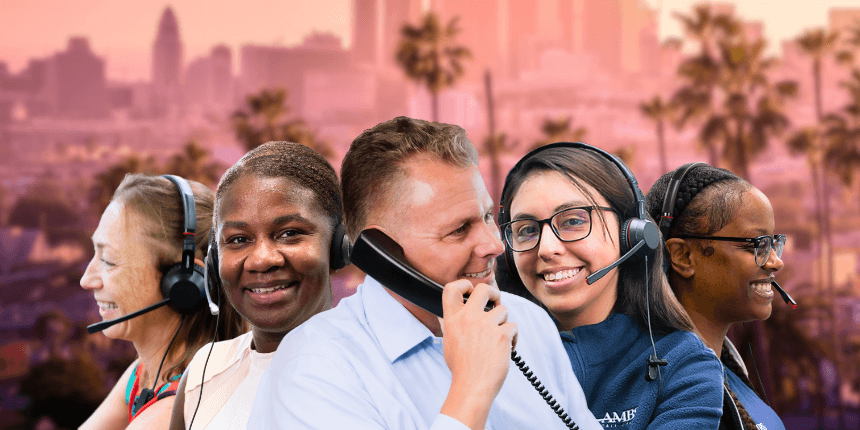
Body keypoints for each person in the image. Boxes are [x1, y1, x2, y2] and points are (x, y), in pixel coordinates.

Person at [249, 117, 601, 430]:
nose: (494, 245)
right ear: (382, 254)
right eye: (460, 229)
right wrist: (471, 389)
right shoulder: (314, 370)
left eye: (487, 217)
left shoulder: (526, 322)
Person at [495, 143, 724, 428]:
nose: (546, 248)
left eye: (573, 221)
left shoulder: (684, 364)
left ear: (632, 234)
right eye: (526, 230)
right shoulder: (487, 355)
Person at [168, 141, 346, 429]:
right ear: (214, 260)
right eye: (238, 239)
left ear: (339, 246)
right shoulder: (205, 371)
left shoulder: (378, 371)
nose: (262, 259)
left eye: (289, 233)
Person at [79, 174, 245, 429]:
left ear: (185, 282)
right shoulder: (147, 373)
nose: (87, 280)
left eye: (109, 260)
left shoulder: (168, 414)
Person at [645, 163, 786, 430]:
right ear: (683, 256)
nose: (776, 262)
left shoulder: (724, 366)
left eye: (774, 243)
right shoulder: (679, 391)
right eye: (757, 245)